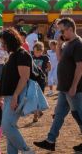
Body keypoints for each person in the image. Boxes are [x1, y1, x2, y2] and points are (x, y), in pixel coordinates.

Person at [34, 17, 82, 152]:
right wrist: (60, 45)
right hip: (64, 88)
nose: (59, 34)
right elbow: (60, 59)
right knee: (59, 115)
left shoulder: (78, 45)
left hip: (74, 89)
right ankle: (50, 140)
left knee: (79, 115)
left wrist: (73, 86)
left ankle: (51, 140)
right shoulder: (67, 44)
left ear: (70, 29)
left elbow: (80, 67)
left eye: (62, 30)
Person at [0, 28, 34, 154]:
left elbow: (24, 78)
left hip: (16, 96)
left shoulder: (22, 54)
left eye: (3, 43)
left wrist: (15, 96)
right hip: (10, 96)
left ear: (10, 41)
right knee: (9, 128)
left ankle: (27, 150)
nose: (2, 46)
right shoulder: (14, 54)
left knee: (6, 126)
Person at [32, 41, 50, 122]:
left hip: (41, 79)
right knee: (34, 96)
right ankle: (36, 113)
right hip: (33, 79)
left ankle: (37, 112)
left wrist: (45, 71)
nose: (35, 53)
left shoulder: (45, 58)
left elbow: (49, 67)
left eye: (37, 52)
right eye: (34, 51)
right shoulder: (31, 57)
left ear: (41, 51)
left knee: (39, 96)